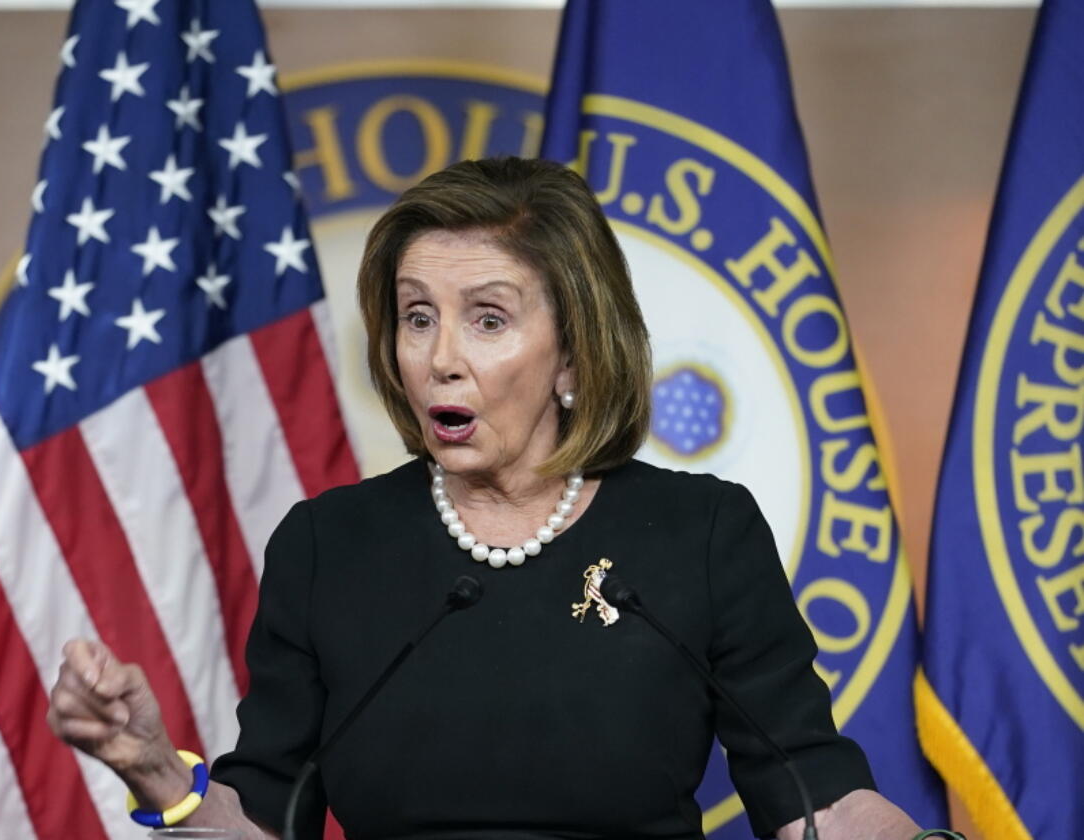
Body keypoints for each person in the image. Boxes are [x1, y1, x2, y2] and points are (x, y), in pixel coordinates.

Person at [47, 157, 924, 840]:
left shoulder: (699, 534)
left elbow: (815, 796)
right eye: (417, 315)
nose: (440, 358)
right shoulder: (330, 546)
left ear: (575, 355)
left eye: (489, 319)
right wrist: (156, 771)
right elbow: (270, 815)